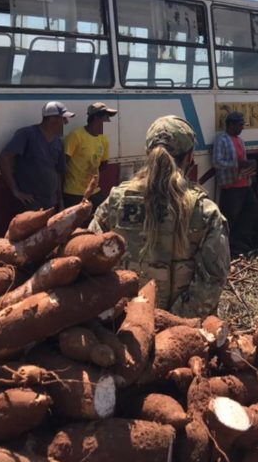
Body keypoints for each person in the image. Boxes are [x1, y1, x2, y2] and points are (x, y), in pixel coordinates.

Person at [89, 116, 230, 317]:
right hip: (181, 332)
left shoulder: (115, 201)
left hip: (121, 323)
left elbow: (91, 258)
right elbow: (212, 281)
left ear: (148, 153)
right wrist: (171, 321)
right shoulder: (204, 211)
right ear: (189, 157)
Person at [0, 101, 72, 212]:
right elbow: (4, 158)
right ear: (52, 119)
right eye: (63, 119)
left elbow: (58, 173)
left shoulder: (58, 142)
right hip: (30, 204)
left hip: (51, 203)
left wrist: (60, 203)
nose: (66, 123)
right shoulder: (27, 134)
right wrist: (16, 191)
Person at [212, 111, 257, 253]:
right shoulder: (222, 140)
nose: (241, 128)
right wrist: (237, 164)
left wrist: (249, 166)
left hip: (244, 183)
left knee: (250, 211)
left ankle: (240, 241)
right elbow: (217, 162)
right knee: (230, 217)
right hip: (231, 186)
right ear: (230, 125)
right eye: (239, 125)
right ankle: (227, 247)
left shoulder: (240, 141)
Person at [63, 102, 117, 210]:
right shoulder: (76, 136)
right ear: (96, 118)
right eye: (106, 117)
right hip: (74, 193)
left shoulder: (103, 139)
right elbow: (63, 164)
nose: (108, 121)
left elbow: (103, 165)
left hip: (94, 190)